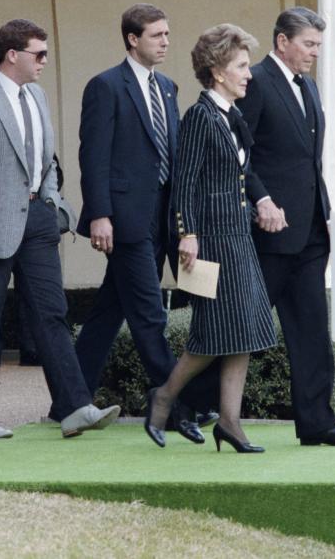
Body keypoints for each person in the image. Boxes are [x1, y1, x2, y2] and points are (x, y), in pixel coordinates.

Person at [0, 19, 120, 439]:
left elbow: (45, 158)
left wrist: (50, 200)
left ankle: (74, 406)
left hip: (38, 221)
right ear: (13, 54)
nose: (45, 61)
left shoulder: (38, 95)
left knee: (52, 314)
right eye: (38, 54)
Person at [74, 3, 215, 443]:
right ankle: (176, 404)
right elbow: (92, 156)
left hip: (166, 218)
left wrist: (187, 221)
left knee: (107, 312)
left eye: (167, 34)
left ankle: (69, 396)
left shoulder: (169, 87)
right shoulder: (105, 86)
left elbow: (172, 158)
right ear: (133, 39)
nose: (166, 42)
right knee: (150, 315)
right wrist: (100, 214)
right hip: (125, 219)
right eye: (157, 35)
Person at [237, 7, 335, 447]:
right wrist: (262, 199)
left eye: (317, 45)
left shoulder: (308, 86)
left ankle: (318, 424)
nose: (314, 53)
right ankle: (183, 402)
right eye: (308, 44)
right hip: (270, 233)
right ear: (281, 42)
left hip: (311, 231)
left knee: (312, 331)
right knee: (243, 325)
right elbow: (240, 155)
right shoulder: (254, 82)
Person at [144, 24, 276, 453]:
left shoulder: (229, 115)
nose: (248, 74)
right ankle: (164, 396)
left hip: (237, 237)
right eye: (241, 66)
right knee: (212, 333)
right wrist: (188, 234)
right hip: (209, 242)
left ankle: (230, 423)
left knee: (244, 332)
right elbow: (185, 183)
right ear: (218, 72)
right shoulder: (201, 116)